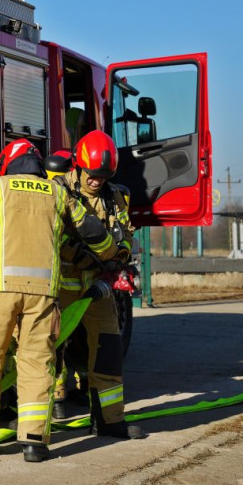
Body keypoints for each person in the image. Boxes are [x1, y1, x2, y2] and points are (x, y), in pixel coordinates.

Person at [0, 139, 119, 462]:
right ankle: (35, 443)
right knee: (38, 365)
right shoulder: (57, 192)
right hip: (43, 296)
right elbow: (89, 229)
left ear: (6, 164)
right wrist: (110, 252)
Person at [52, 130, 145, 439]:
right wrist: (88, 258)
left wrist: (122, 254)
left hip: (99, 287)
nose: (97, 180)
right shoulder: (57, 191)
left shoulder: (114, 194)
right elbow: (53, 235)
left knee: (109, 348)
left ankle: (108, 420)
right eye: (92, 174)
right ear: (77, 166)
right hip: (61, 287)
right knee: (47, 348)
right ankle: (44, 414)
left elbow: (126, 231)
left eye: (103, 175)